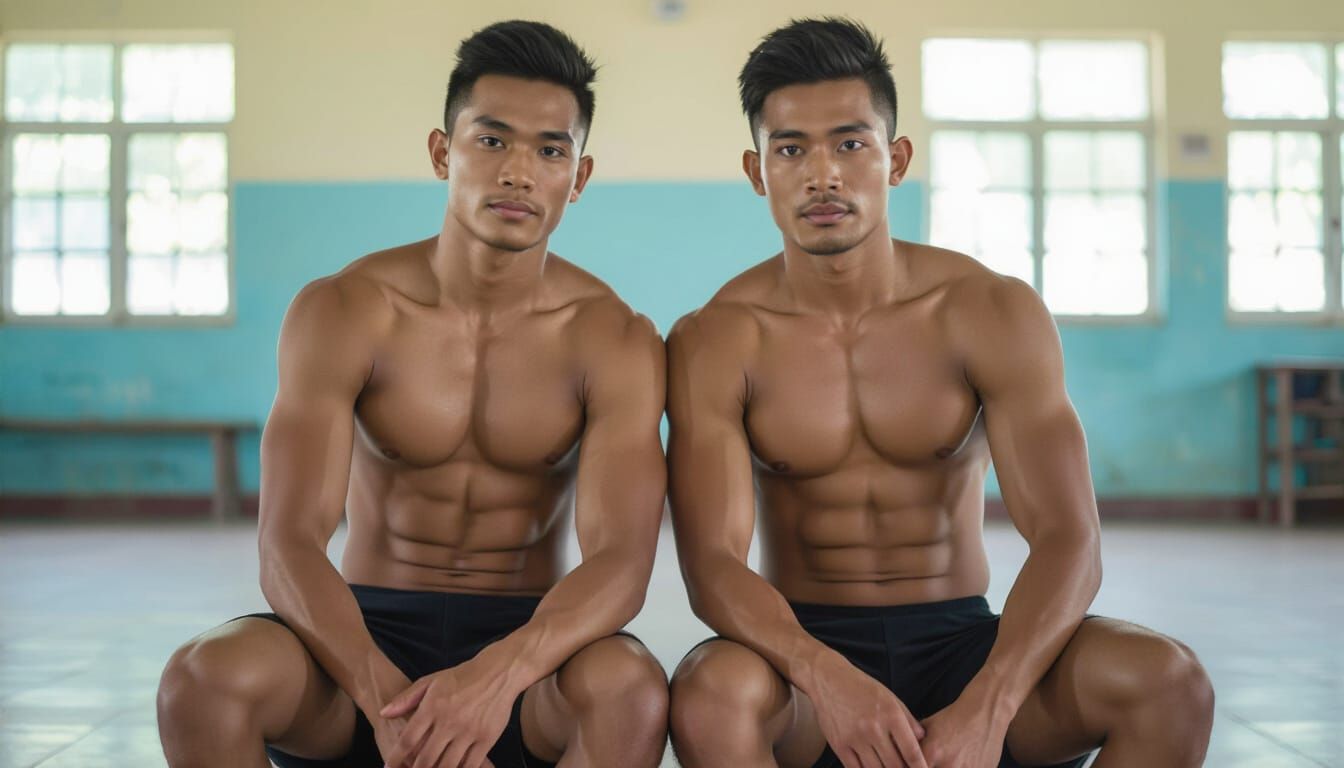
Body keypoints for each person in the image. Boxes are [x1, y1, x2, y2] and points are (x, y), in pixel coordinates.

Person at [665, 17, 1214, 768]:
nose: (823, 174)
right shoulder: (717, 338)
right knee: (708, 691)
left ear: (894, 159)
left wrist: (990, 705)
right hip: (803, 662)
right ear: (758, 172)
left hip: (964, 642)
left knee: (1168, 681)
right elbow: (714, 565)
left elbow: (1069, 537)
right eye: (791, 149)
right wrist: (825, 676)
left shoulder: (989, 311)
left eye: (850, 144)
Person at [157, 20, 668, 768]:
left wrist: (494, 681)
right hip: (357, 640)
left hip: (527, 654)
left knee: (631, 688)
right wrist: (390, 702)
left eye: (550, 150)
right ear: (442, 152)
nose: (519, 172)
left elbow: (621, 561)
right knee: (202, 680)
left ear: (577, 177)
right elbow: (288, 542)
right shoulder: (346, 310)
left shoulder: (613, 338)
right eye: (491, 141)